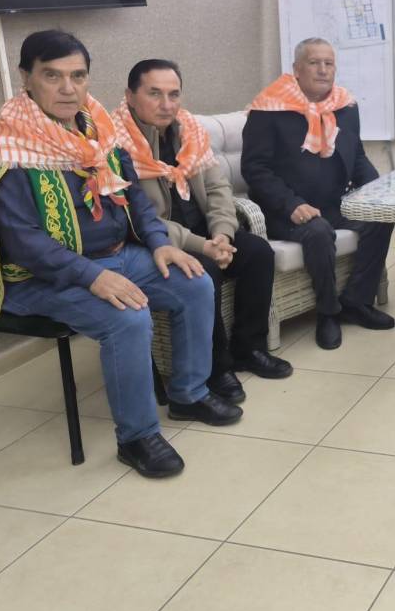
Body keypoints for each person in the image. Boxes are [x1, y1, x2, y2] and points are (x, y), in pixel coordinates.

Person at [0, 31, 241, 479]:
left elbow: (134, 200)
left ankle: (189, 394)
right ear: (26, 78)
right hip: (39, 279)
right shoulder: (5, 144)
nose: (68, 88)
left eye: (78, 76)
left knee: (195, 281)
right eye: (52, 76)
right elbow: (22, 242)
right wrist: (92, 276)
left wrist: (160, 243)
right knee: (128, 318)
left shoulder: (98, 129)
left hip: (117, 255)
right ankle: (137, 438)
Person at [113, 59, 292, 405]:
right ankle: (215, 367)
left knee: (257, 253)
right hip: (157, 242)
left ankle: (248, 348)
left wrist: (223, 234)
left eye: (173, 94)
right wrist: (202, 246)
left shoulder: (189, 130)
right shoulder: (115, 144)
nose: (166, 104)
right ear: (130, 96)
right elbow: (137, 216)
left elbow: (217, 188)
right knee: (203, 269)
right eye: (154, 94)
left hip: (204, 232)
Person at [241, 38, 394, 351]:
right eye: (314, 63)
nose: (323, 70)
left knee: (381, 217)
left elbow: (357, 156)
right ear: (297, 70)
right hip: (285, 211)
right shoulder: (269, 109)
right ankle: (328, 313)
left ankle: (356, 301)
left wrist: (375, 191)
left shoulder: (345, 106)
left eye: (329, 63)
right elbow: (254, 169)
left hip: (333, 203)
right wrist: (291, 204)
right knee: (318, 232)